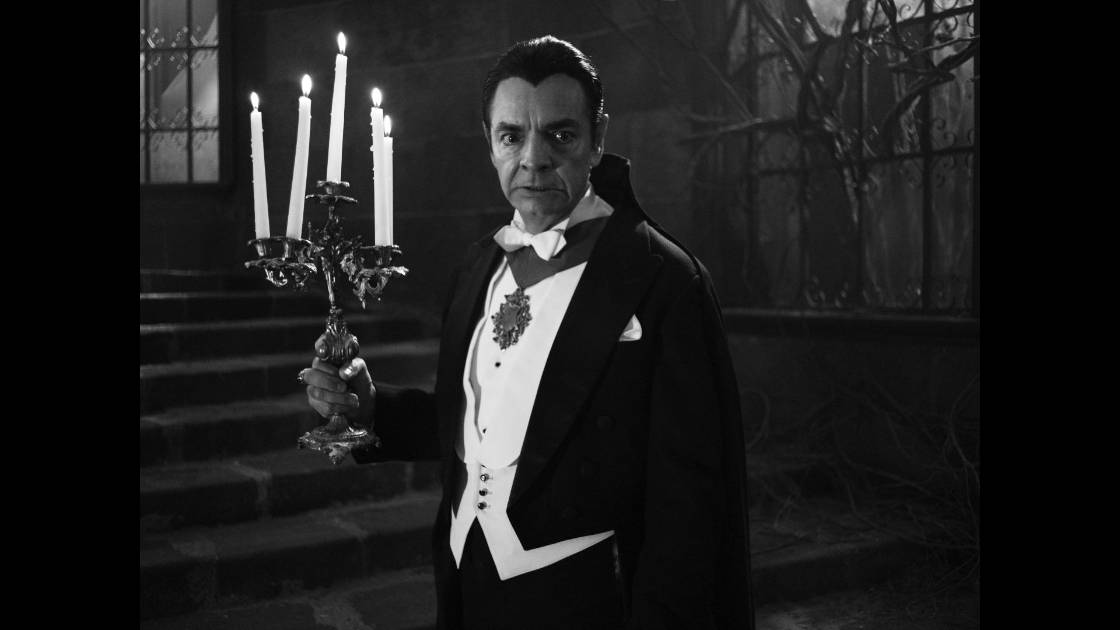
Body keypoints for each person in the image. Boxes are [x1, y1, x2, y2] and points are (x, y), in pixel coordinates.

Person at [302, 35, 754, 630]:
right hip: (466, 578)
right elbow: (484, 423)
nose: (534, 159)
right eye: (512, 136)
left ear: (598, 138)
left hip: (590, 594)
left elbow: (691, 504)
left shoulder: (665, 281)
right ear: (489, 142)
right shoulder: (477, 265)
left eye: (560, 135)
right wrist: (373, 408)